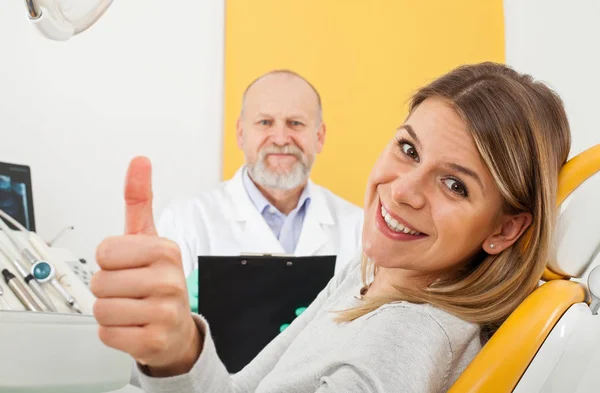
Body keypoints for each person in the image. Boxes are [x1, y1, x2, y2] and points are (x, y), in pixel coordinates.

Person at [90, 62, 571, 392]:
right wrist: (180, 351)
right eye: (408, 149)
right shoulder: (367, 276)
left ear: (505, 230)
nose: (403, 190)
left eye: (454, 184)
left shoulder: (407, 334)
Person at [157, 70, 363, 286]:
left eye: (296, 123)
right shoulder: (185, 221)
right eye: (265, 122)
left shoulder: (358, 229)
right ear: (241, 133)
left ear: (319, 137)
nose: (281, 139)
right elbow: (159, 314)